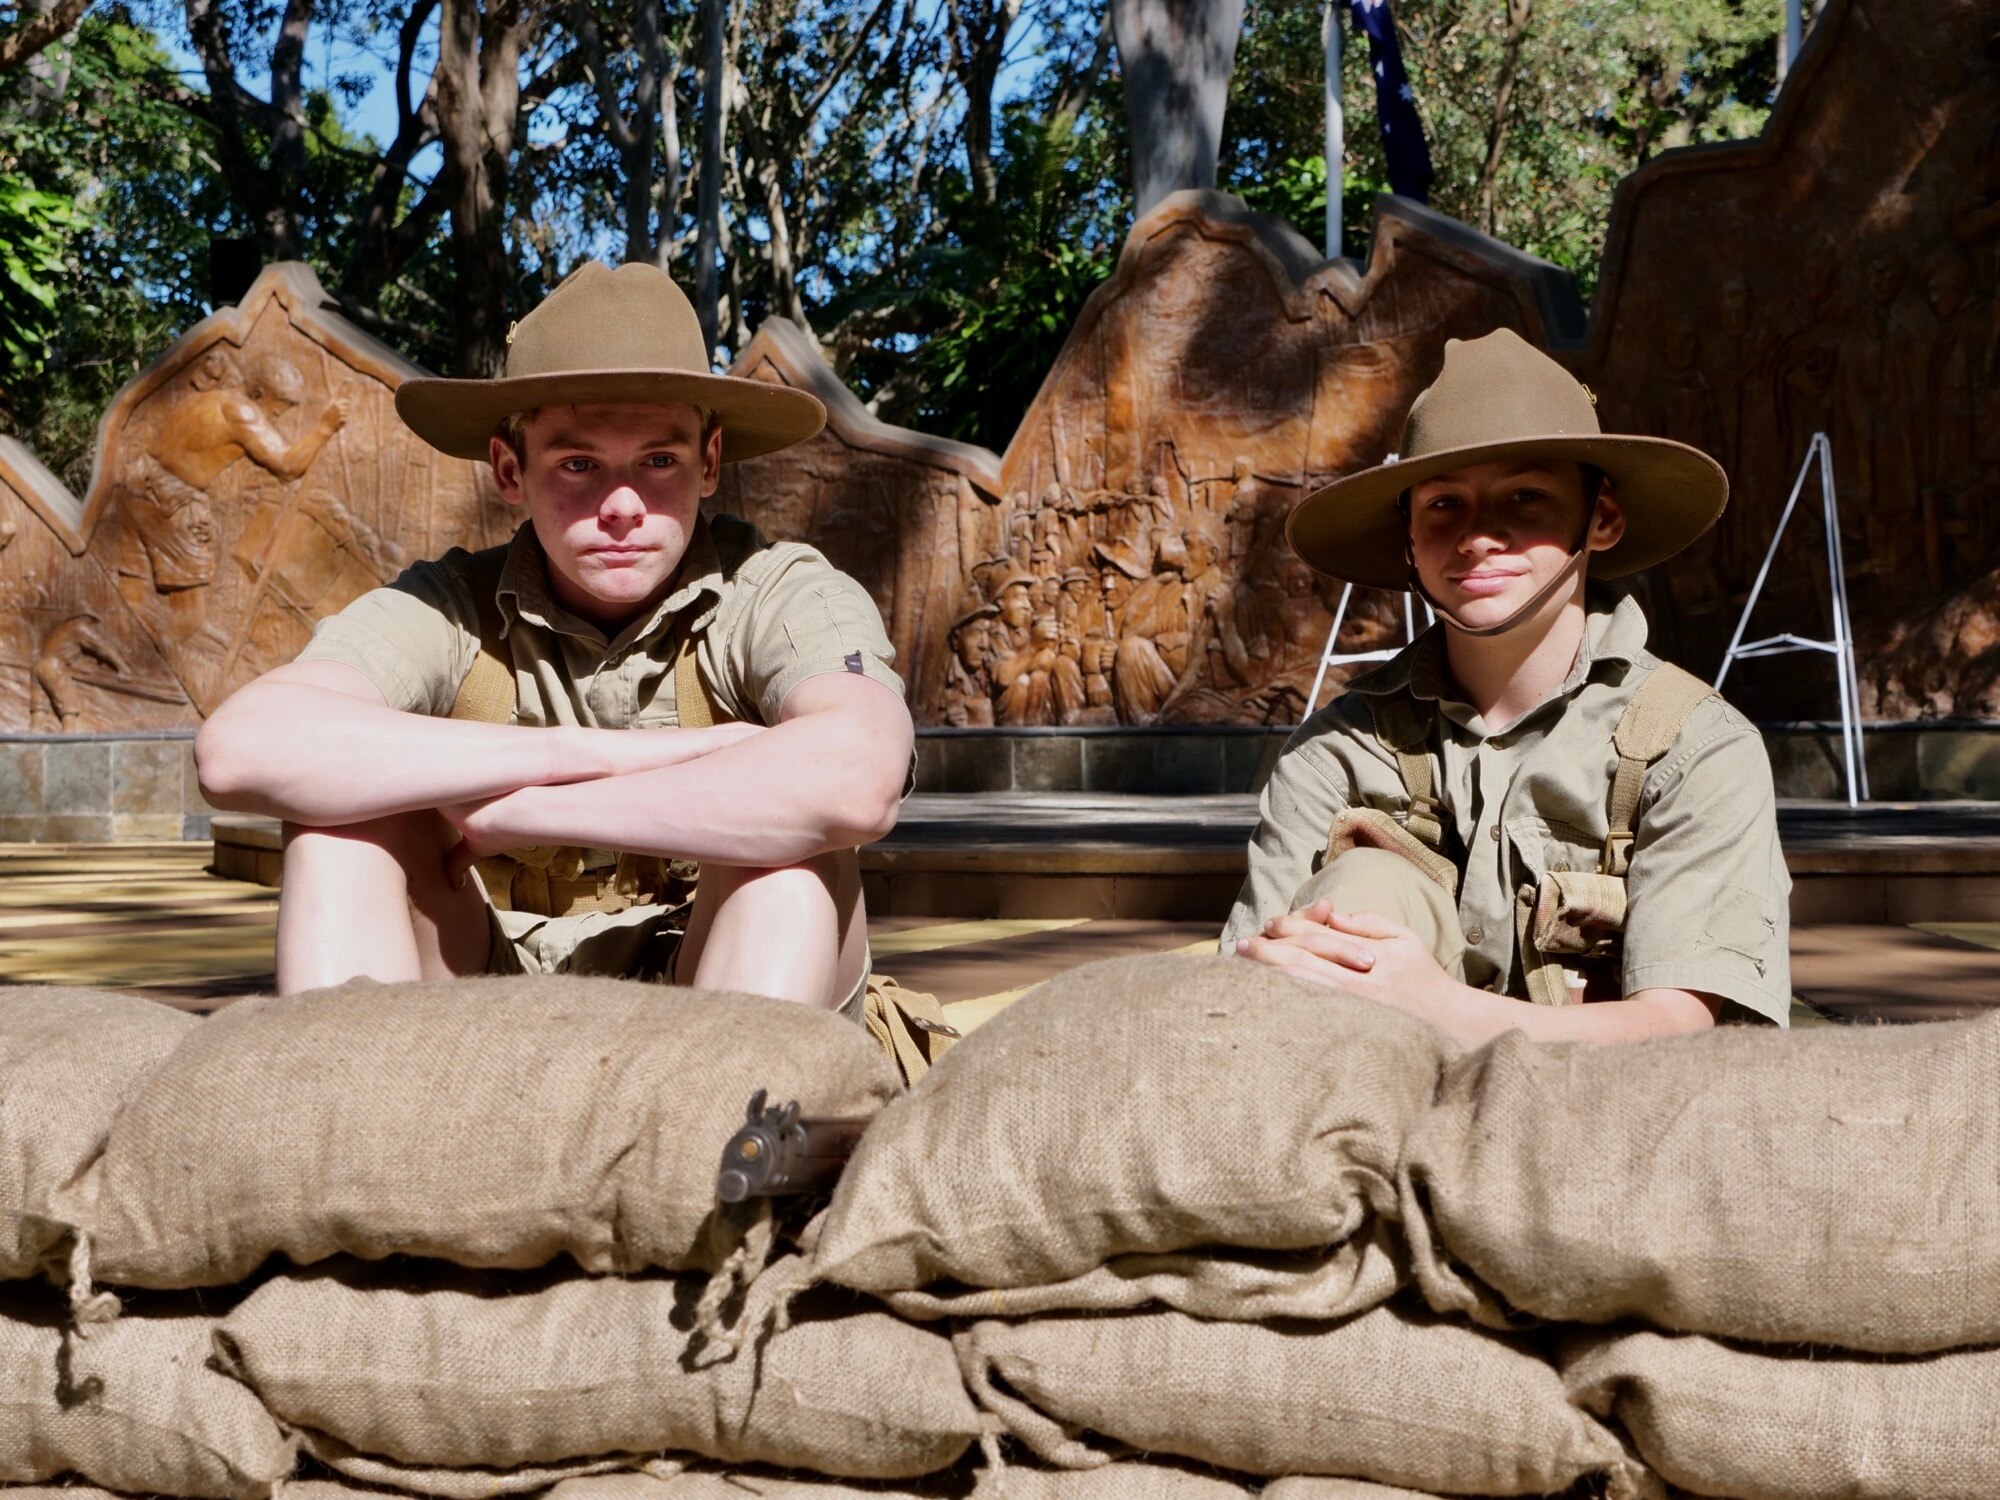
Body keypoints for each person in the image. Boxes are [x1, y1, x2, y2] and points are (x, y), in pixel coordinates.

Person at [195, 262, 914, 1009]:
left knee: (793, 864)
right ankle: (361, 1120)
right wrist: (588, 754)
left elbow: (857, 778)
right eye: (578, 464)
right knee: (339, 834)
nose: (623, 504)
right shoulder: (448, 607)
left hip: (715, 994)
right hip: (483, 998)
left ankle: (731, 1126)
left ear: (710, 463)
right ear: (510, 470)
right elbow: (241, 747)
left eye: (659, 460)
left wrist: (525, 811)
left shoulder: (777, 590)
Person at [1225, 328, 1790, 1045]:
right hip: (1374, 1130)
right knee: (1364, 887)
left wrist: (1440, 1008)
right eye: (1443, 505)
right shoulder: (1334, 756)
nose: (1478, 536)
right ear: (1407, 538)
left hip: (1602, 1133)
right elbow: (1248, 989)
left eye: (1524, 497)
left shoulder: (1695, 749)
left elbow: (1683, 1029)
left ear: (1602, 518)